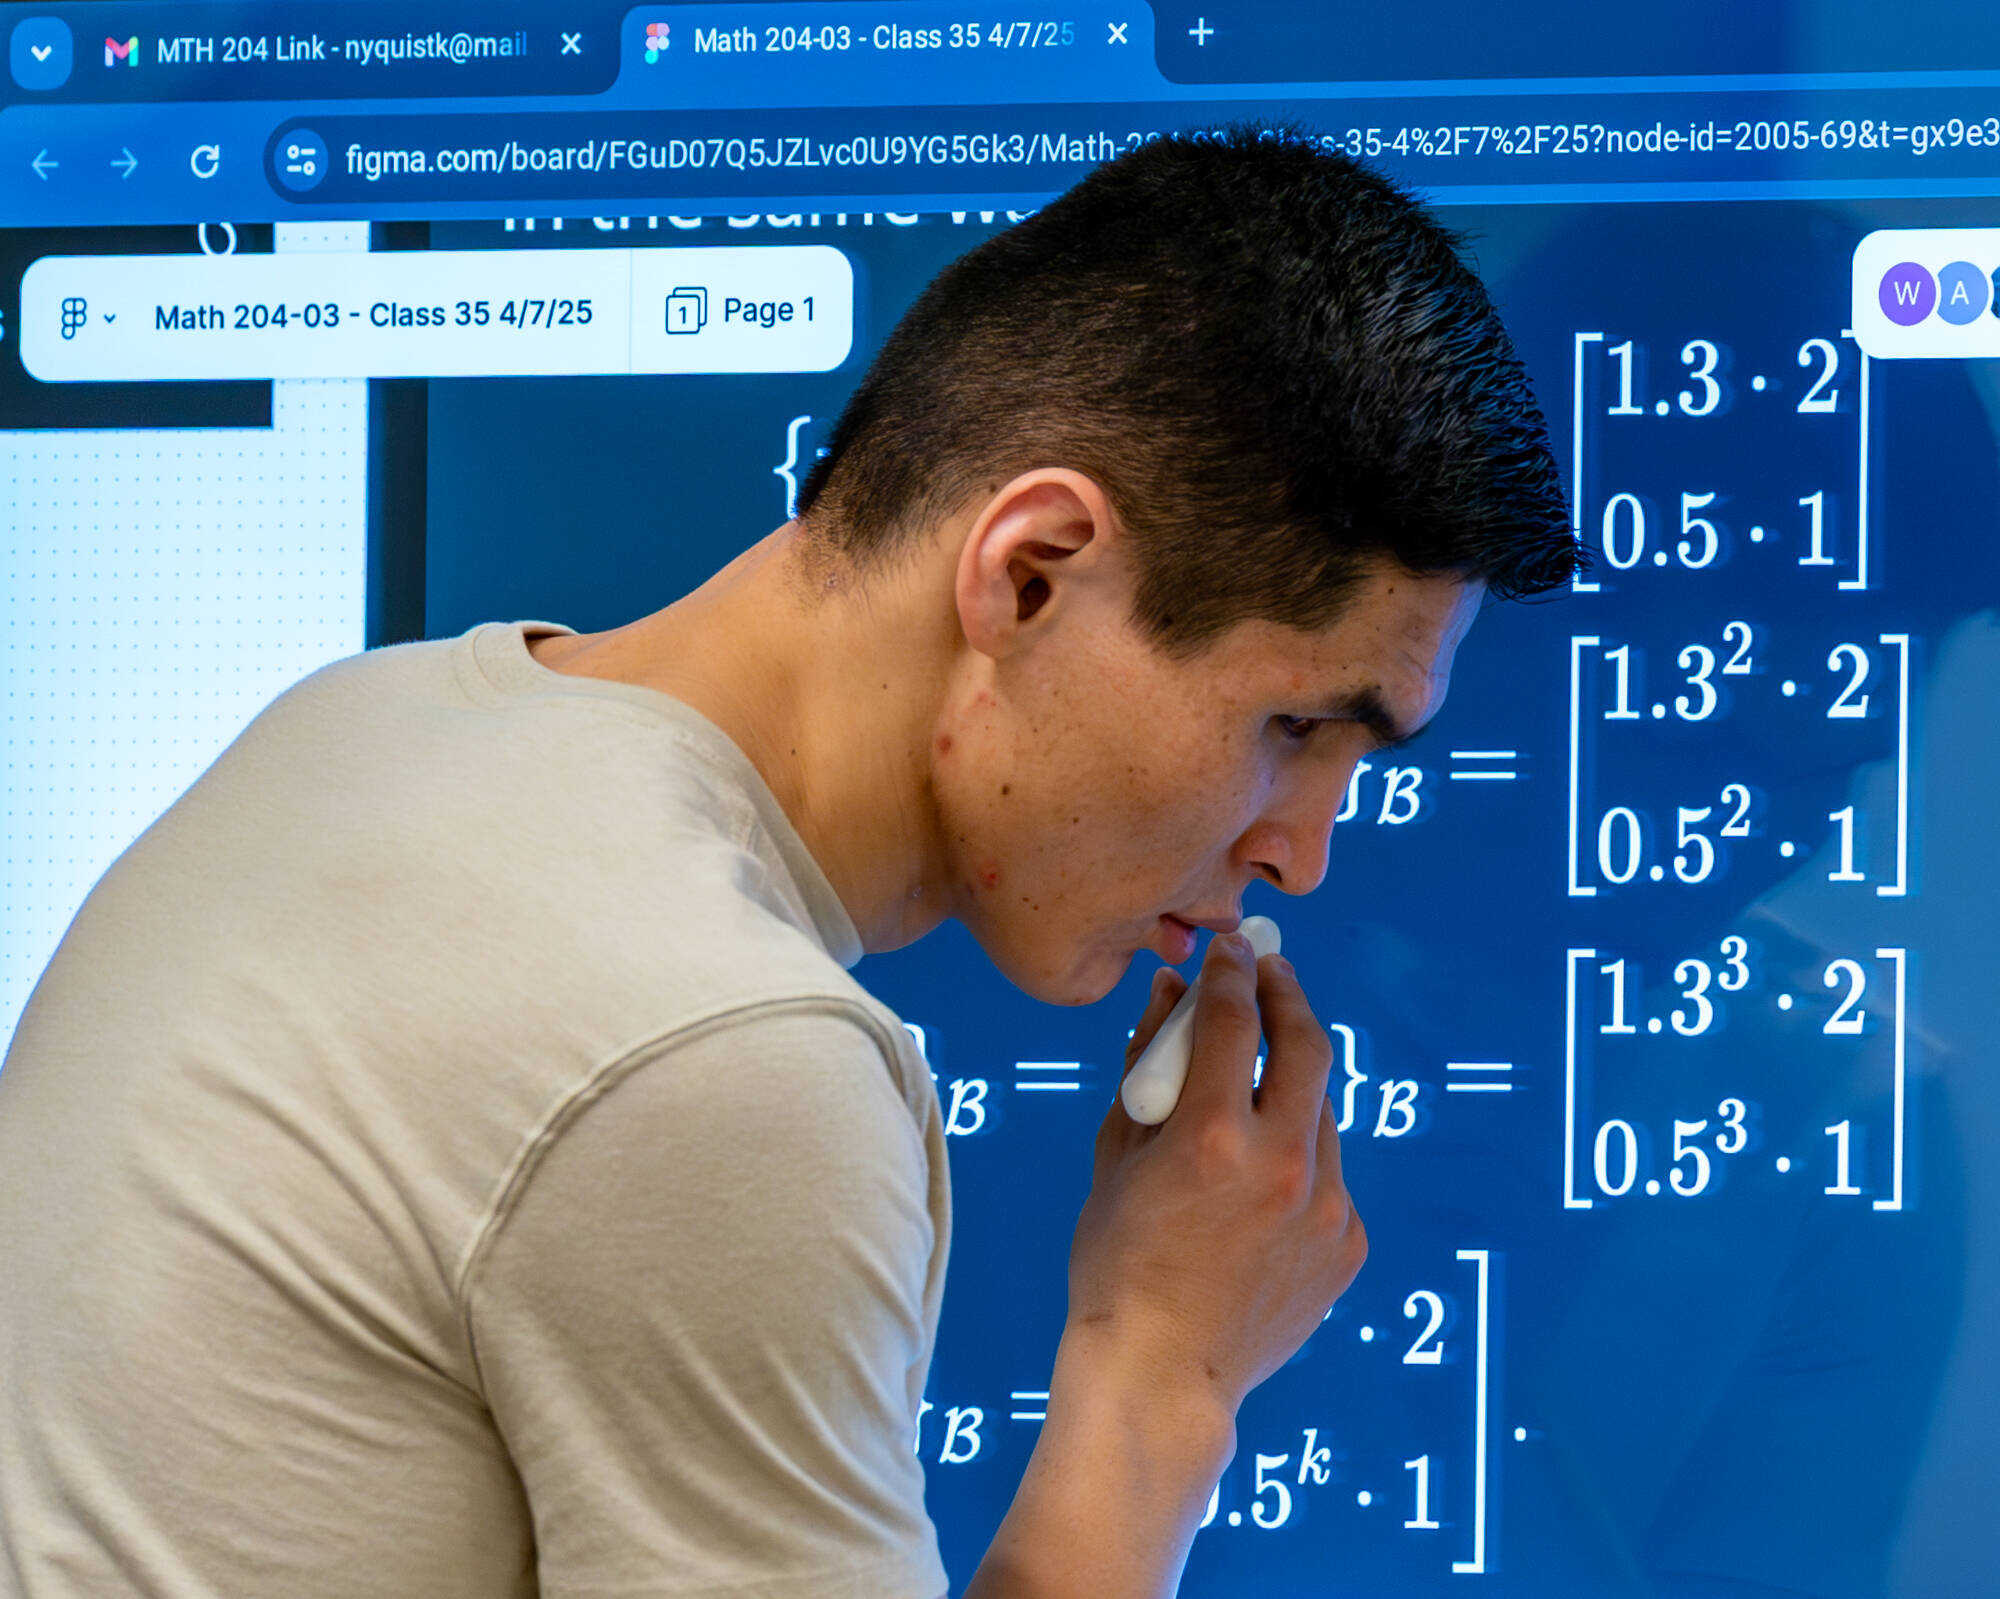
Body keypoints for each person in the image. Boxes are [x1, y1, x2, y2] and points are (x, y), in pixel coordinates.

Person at [0, 128, 1574, 1599]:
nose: (1299, 854)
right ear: (1031, 574)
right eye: (1295, 724)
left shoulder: (364, 720)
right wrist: (1163, 1370)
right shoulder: (712, 1058)